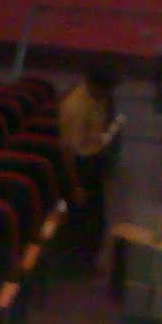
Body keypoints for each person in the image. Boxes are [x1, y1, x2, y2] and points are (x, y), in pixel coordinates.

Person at [57, 62, 123, 276]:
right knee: (87, 222)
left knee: (96, 219)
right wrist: (76, 186)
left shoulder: (100, 98)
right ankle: (80, 266)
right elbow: (69, 152)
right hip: (80, 170)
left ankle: (86, 261)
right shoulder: (76, 108)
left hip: (93, 161)